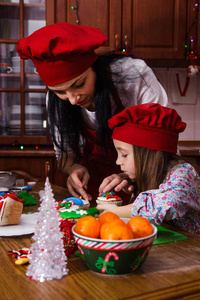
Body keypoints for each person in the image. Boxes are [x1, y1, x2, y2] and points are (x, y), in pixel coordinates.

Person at [16, 22, 168, 203]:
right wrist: (73, 168)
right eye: (60, 91)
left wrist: (131, 176)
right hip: (95, 191)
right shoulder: (56, 100)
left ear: (94, 69)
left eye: (79, 84)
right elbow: (66, 156)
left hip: (145, 188)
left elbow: (163, 147)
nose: (72, 100)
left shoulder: (133, 76)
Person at [96, 103, 200, 235]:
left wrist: (117, 211)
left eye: (124, 154)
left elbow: (170, 203)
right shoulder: (146, 175)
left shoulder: (184, 173)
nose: (118, 161)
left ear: (148, 154)